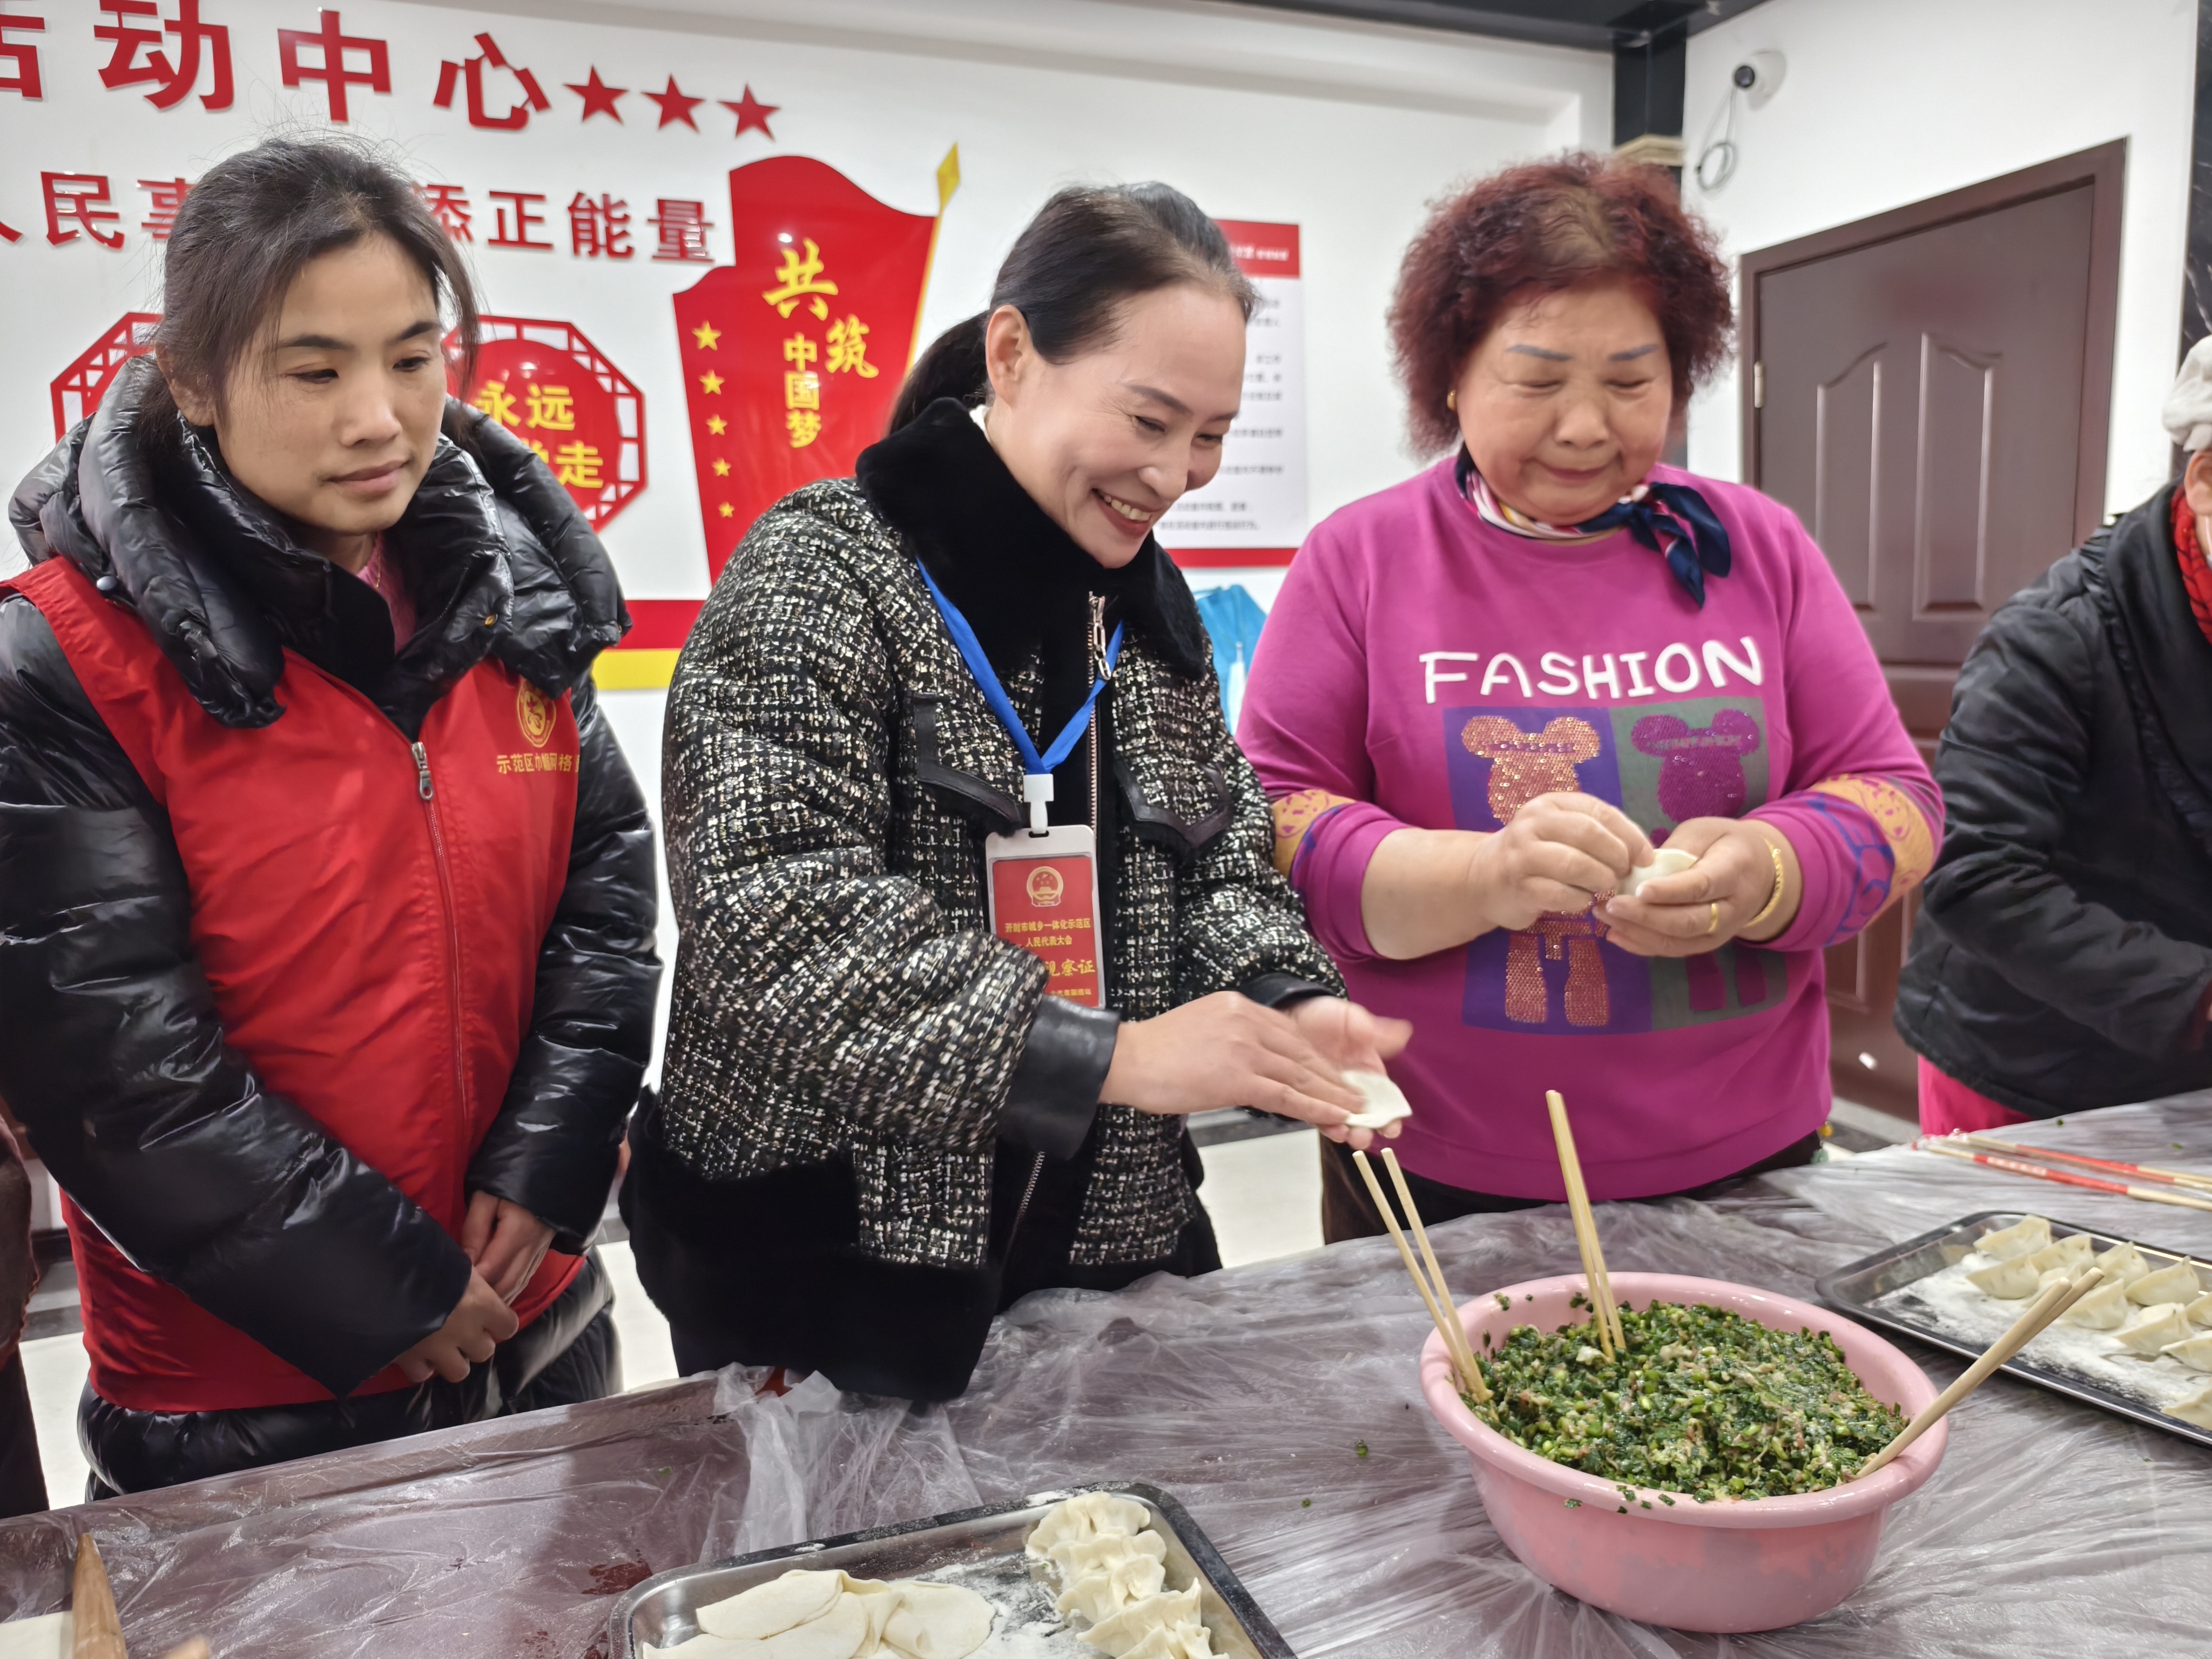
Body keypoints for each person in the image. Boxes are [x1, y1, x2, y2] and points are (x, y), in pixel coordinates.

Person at [626, 183, 1407, 1402]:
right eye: (1148, 418)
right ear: (1011, 354)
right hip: (832, 1265)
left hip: (1103, 1241)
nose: (1176, 474)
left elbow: (1215, 859)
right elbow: (772, 914)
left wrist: (1282, 997)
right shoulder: (819, 570)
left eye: (1208, 435)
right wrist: (1104, 1057)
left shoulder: (1147, 614)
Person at [0, 137, 659, 1495]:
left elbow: (603, 890)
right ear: (189, 377)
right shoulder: (66, 662)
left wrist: (546, 1166)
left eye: (415, 359)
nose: (381, 417)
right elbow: (117, 1068)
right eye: (316, 371)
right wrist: (388, 1287)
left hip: (540, 1317)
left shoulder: (505, 601)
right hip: (249, 1399)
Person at [1238, 154, 1941, 1239]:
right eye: (1534, 379)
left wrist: (1762, 872)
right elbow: (1274, 823)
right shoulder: (1362, 559)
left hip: (1749, 1161)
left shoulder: (1756, 546)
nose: (1582, 427)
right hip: (1441, 1168)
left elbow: (1895, 798)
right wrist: (1479, 873)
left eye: (1627, 381)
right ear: (1449, 378)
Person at [1894, 339, 2212, 1129]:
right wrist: (2199, 996)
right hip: (2027, 1065)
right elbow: (1972, 872)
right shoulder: (2059, 634)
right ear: (2205, 481)